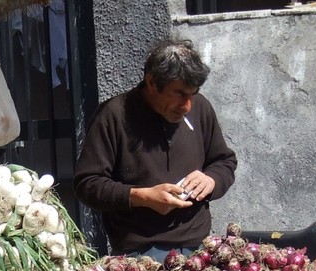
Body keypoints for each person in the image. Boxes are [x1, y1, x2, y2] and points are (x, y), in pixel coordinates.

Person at [73, 38, 237, 259]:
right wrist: (143, 197)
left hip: (198, 249)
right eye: (179, 93)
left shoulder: (201, 108)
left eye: (193, 93)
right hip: (139, 256)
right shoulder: (114, 116)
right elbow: (87, 183)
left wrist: (212, 179)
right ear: (151, 82)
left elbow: (224, 161)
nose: (187, 106)